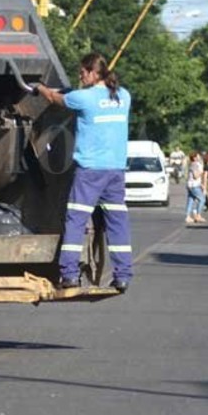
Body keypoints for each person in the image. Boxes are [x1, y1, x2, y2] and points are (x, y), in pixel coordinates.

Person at [34, 53, 133, 293]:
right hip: (115, 171)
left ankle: (69, 274)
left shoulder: (83, 98)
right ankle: (123, 276)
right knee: (117, 222)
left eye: (82, 73)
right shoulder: (124, 96)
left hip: (90, 171)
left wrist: (39, 87)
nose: (80, 77)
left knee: (76, 220)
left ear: (93, 72)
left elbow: (54, 98)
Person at [185, 152, 205, 224]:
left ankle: (188, 217)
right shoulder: (195, 164)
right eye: (197, 156)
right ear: (194, 158)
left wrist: (201, 184)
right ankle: (198, 215)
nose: (199, 157)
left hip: (190, 185)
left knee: (190, 201)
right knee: (202, 199)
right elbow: (195, 176)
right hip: (194, 185)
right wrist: (201, 172)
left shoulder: (192, 164)